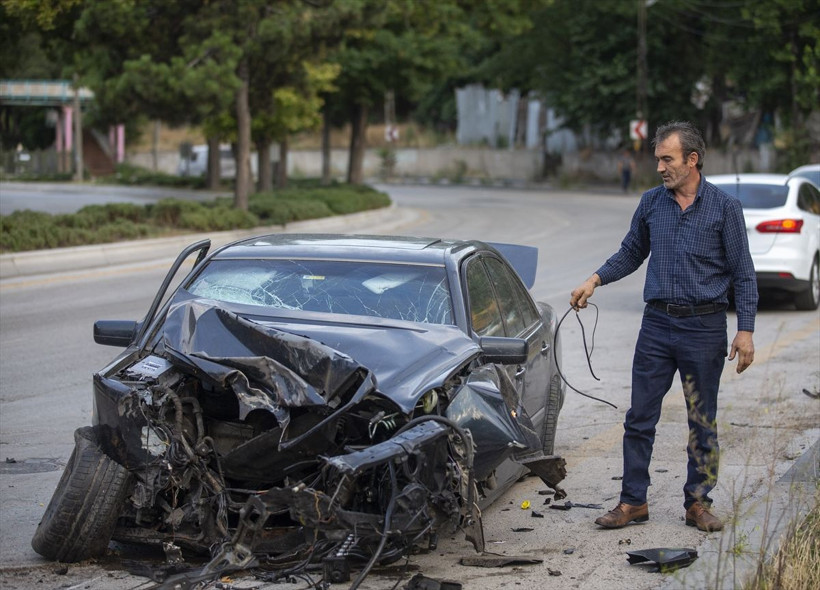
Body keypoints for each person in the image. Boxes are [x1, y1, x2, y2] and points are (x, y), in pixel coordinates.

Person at [570, 121, 757, 532]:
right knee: (639, 418)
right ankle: (633, 501)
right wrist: (594, 279)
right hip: (656, 326)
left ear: (692, 160)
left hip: (705, 328)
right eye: (658, 159)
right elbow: (631, 251)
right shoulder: (652, 202)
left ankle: (697, 503)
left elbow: (744, 274)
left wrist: (745, 329)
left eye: (666, 159)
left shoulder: (725, 208)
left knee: (701, 420)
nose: (659, 167)